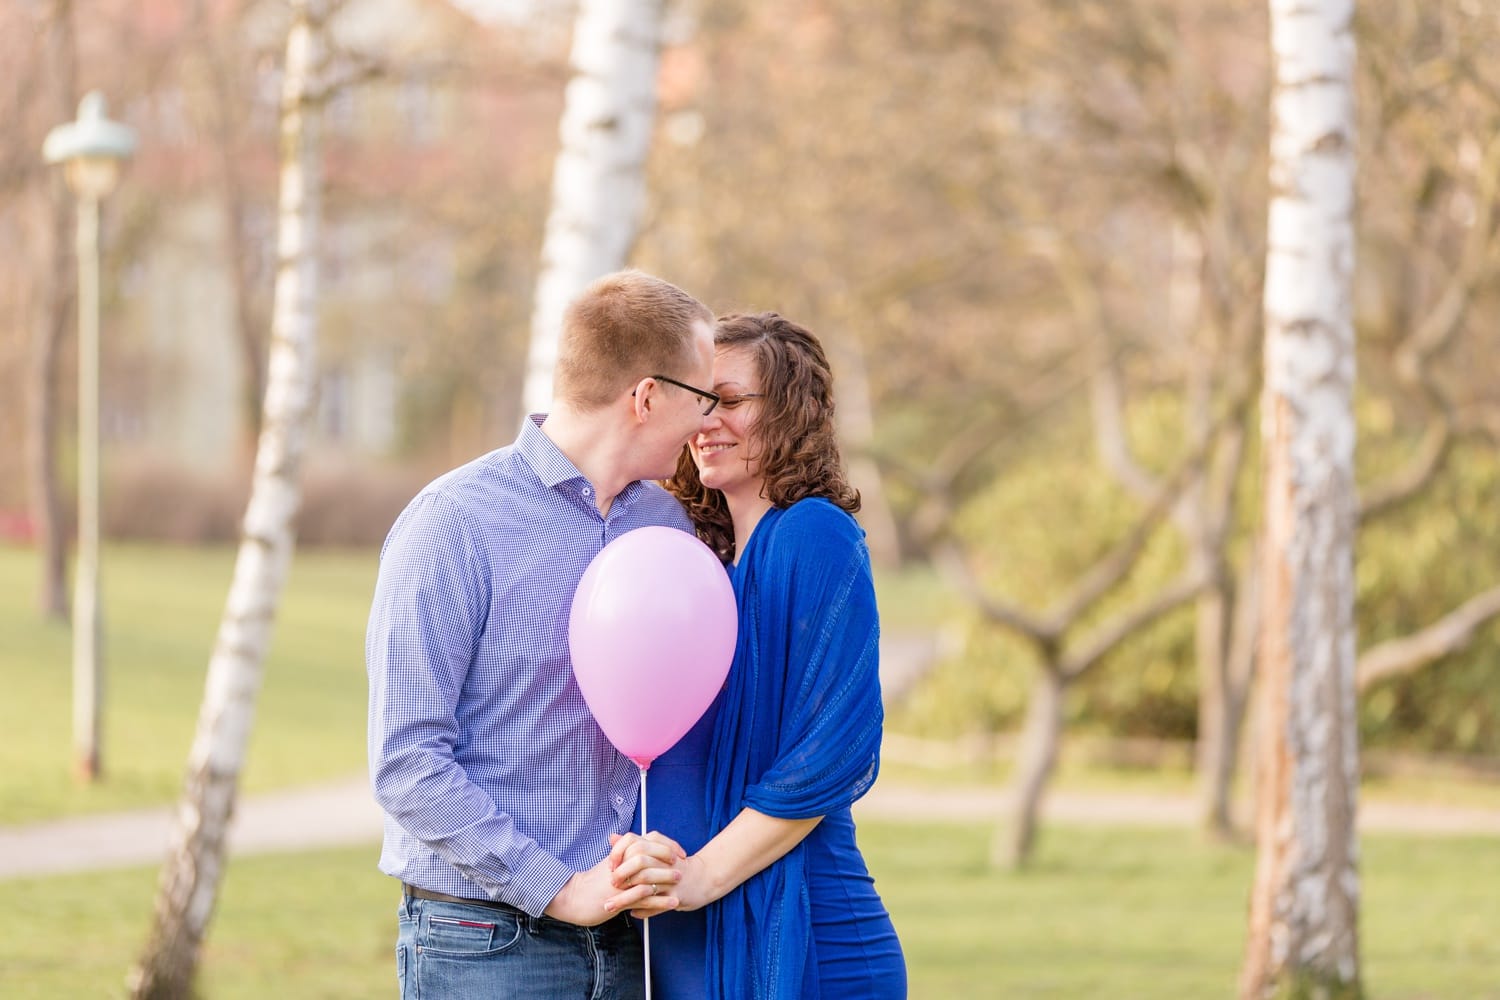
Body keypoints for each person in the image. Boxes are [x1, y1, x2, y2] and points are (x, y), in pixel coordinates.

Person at [366, 269, 722, 999]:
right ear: (647, 397)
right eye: (703, 396)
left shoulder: (666, 527)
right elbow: (405, 762)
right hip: (482, 947)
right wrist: (559, 890)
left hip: (630, 944)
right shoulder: (453, 524)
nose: (708, 421)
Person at [610, 312, 907, 998]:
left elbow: (828, 755)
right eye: (699, 401)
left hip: (806, 939)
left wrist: (698, 878)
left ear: (793, 413)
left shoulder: (813, 535)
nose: (708, 420)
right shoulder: (705, 565)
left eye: (732, 400)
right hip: (690, 945)